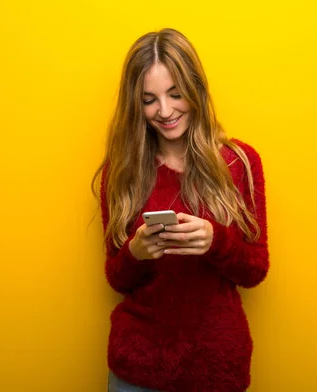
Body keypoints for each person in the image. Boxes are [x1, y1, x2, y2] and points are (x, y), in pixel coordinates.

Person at [92, 28, 269, 392]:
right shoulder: (121, 171)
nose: (166, 111)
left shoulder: (239, 162)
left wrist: (215, 241)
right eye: (150, 100)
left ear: (196, 91)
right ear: (135, 105)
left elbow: (255, 270)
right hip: (137, 368)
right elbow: (116, 278)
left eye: (176, 94)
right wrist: (136, 253)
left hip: (215, 365)